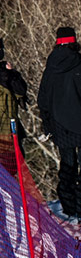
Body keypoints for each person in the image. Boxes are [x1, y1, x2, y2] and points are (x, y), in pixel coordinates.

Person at [37, 25, 81, 221]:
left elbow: (43, 102)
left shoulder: (49, 72)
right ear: (75, 43)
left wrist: (49, 126)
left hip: (61, 129)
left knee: (67, 168)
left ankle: (69, 208)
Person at [0, 37, 25, 183]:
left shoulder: (6, 73)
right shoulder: (7, 74)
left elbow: (20, 91)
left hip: (10, 131)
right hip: (8, 132)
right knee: (10, 175)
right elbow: (21, 91)